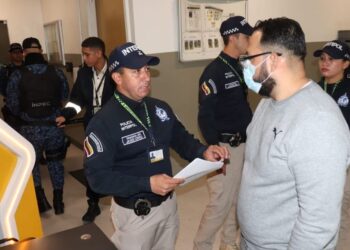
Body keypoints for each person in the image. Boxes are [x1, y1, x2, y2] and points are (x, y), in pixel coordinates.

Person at [83, 42, 229, 250]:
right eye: (136, 71)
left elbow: (181, 138)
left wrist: (203, 151)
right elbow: (97, 179)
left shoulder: (160, 108)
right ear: (117, 78)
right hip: (135, 215)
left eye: (147, 69)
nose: (146, 76)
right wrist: (146, 184)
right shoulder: (102, 122)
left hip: (168, 207)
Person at [237, 17, 350, 249]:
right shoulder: (266, 103)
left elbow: (318, 223)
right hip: (252, 242)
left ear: (273, 59)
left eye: (249, 58)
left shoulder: (317, 121)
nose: (245, 65)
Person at [194, 16, 253, 250]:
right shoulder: (213, 72)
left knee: (236, 201)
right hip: (225, 149)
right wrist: (216, 149)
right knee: (219, 204)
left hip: (242, 145)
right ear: (233, 37)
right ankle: (201, 246)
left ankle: (228, 244)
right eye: (246, 36)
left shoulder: (240, 66)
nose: (249, 39)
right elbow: (204, 115)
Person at [6, 37, 69, 215]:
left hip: (29, 128)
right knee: (55, 163)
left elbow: (12, 104)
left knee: (32, 165)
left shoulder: (17, 75)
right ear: (41, 50)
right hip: (54, 127)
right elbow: (64, 95)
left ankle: (40, 200)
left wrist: (25, 115)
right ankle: (59, 201)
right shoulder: (56, 72)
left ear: (24, 52)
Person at [56, 37, 114, 222]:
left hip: (114, 125)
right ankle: (93, 204)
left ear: (99, 53)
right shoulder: (83, 73)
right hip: (92, 125)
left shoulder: (117, 71)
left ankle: (123, 198)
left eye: (87, 54)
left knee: (120, 162)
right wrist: (66, 114)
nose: (84, 58)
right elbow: (76, 100)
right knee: (92, 163)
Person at [313, 40, 350, 250]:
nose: (325, 63)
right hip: (318, 161)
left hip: (345, 162)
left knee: (341, 209)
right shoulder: (315, 89)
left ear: (345, 64)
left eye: (332, 59)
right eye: (322, 59)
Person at [1, 43, 24, 130]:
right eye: (15, 52)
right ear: (10, 54)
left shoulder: (29, 68)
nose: (18, 54)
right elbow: (3, 89)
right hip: (12, 108)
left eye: (20, 52)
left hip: (28, 106)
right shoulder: (5, 71)